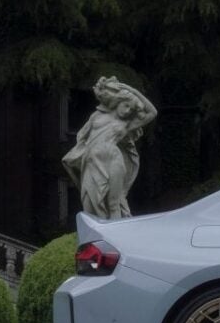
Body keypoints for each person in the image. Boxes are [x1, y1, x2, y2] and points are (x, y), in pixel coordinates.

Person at [63, 77, 157, 219]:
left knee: (114, 202)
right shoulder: (96, 116)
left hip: (113, 158)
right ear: (117, 101)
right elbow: (82, 138)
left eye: (131, 109)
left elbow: (152, 113)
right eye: (126, 105)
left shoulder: (126, 124)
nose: (127, 111)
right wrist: (78, 154)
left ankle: (115, 237)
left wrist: (132, 90)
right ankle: (94, 238)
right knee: (88, 204)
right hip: (92, 161)